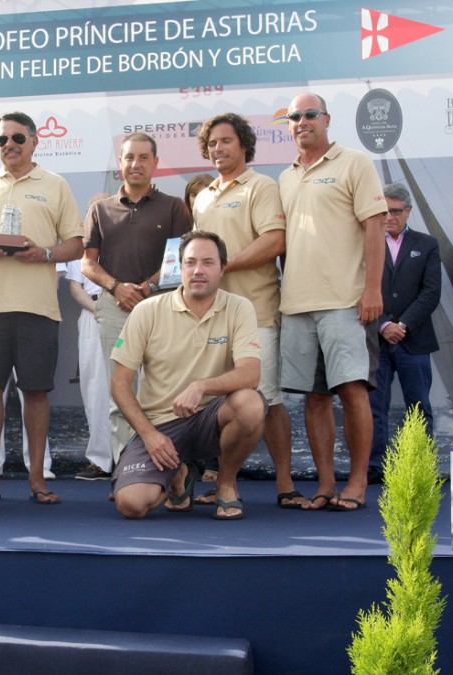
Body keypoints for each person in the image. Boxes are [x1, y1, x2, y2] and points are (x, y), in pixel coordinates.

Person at [0, 111, 83, 504]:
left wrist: (43, 253)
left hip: (37, 308)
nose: (9, 145)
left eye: (17, 138)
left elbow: (75, 244)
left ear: (34, 140)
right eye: (1, 140)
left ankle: (37, 479)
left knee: (36, 393)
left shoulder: (56, 185)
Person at [277, 92, 387, 511]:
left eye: (309, 114)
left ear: (326, 119)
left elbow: (374, 227)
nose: (302, 121)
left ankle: (357, 480)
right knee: (314, 397)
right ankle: (325, 484)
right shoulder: (285, 177)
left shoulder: (355, 162)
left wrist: (372, 289)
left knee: (353, 392)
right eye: (293, 116)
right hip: (297, 304)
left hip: (346, 301)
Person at [192, 112, 305, 509]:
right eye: (211, 144)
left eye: (225, 141)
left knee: (267, 400)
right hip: (211, 316)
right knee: (220, 405)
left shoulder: (262, 186)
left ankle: (286, 485)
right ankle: (225, 482)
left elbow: (274, 241)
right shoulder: (203, 196)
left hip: (256, 313)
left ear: (243, 146)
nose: (218, 149)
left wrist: (225, 266)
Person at [111, 230, 265, 520]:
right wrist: (149, 435)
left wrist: (201, 386)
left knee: (250, 403)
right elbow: (119, 383)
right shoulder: (146, 311)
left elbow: (250, 374)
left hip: (211, 419)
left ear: (222, 268)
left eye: (208, 262)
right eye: (190, 262)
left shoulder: (239, 307)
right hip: (160, 426)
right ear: (178, 268)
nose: (198, 270)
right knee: (131, 505)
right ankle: (180, 476)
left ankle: (226, 483)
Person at [82, 133, 191, 474]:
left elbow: (180, 259)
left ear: (155, 163)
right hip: (115, 307)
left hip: (163, 306)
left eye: (144, 157)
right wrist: (117, 288)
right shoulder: (100, 209)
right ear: (121, 163)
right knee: (121, 393)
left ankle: (170, 470)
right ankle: (127, 470)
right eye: (129, 157)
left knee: (164, 392)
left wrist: (147, 286)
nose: (136, 164)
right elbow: (87, 263)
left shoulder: (174, 206)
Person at [369, 182, 442, 476]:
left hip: (415, 338)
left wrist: (403, 325)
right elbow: (357, 289)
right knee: (374, 408)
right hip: (377, 339)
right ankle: (375, 467)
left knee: (419, 407)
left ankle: (420, 467)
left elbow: (431, 291)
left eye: (397, 211)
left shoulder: (427, 244)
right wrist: (384, 323)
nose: (390, 217)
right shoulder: (365, 243)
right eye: (385, 211)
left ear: (408, 211)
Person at [66, 260, 113, 480]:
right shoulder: (87, 239)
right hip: (93, 312)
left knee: (139, 384)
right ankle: (100, 459)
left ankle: (133, 458)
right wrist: (101, 311)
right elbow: (75, 287)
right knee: (95, 387)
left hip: (134, 309)